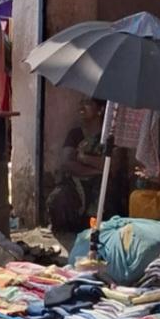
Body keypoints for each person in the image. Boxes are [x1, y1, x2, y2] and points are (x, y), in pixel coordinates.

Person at [49, 98, 106, 232]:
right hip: (75, 182)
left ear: (100, 110)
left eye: (88, 104)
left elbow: (111, 165)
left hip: (101, 184)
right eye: (81, 103)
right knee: (58, 199)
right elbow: (67, 163)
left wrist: (84, 158)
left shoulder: (107, 137)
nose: (82, 107)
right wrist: (96, 170)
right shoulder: (75, 134)